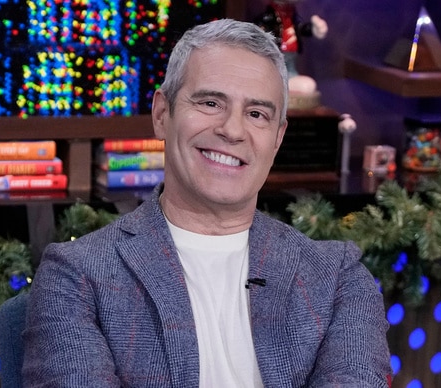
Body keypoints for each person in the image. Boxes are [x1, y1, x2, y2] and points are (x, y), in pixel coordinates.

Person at [23, 18, 392, 387]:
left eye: (257, 114)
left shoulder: (339, 279)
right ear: (162, 115)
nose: (232, 130)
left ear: (277, 138)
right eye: (211, 102)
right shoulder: (74, 277)